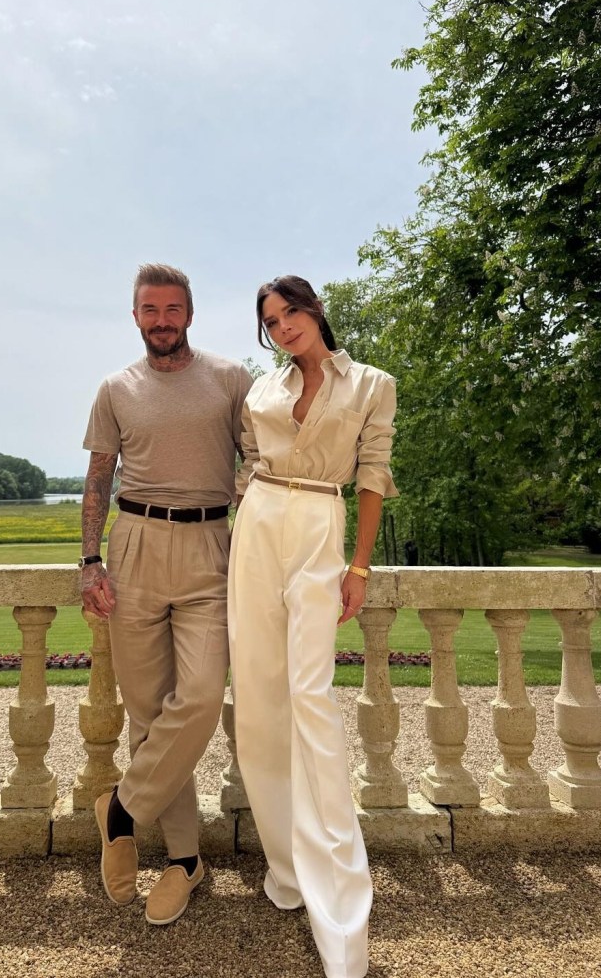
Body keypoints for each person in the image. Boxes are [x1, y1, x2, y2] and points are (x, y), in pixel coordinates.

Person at [228, 275, 398, 978]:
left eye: (291, 311)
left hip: (321, 524)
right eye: (270, 320)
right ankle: (287, 869)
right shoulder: (259, 392)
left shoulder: (370, 384)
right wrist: (245, 521)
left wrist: (357, 566)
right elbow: (245, 466)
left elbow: (373, 474)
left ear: (315, 309)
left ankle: (339, 903)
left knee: (311, 699)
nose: (283, 326)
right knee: (261, 703)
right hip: (260, 523)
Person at [81, 263, 253, 926]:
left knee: (203, 694)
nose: (160, 319)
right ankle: (184, 860)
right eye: (149, 309)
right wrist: (90, 560)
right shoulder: (115, 388)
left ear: (189, 313)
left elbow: (263, 453)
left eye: (171, 308)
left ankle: (121, 808)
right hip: (134, 548)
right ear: (135, 316)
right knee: (149, 714)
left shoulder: (230, 379)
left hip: (211, 546)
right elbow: (98, 476)